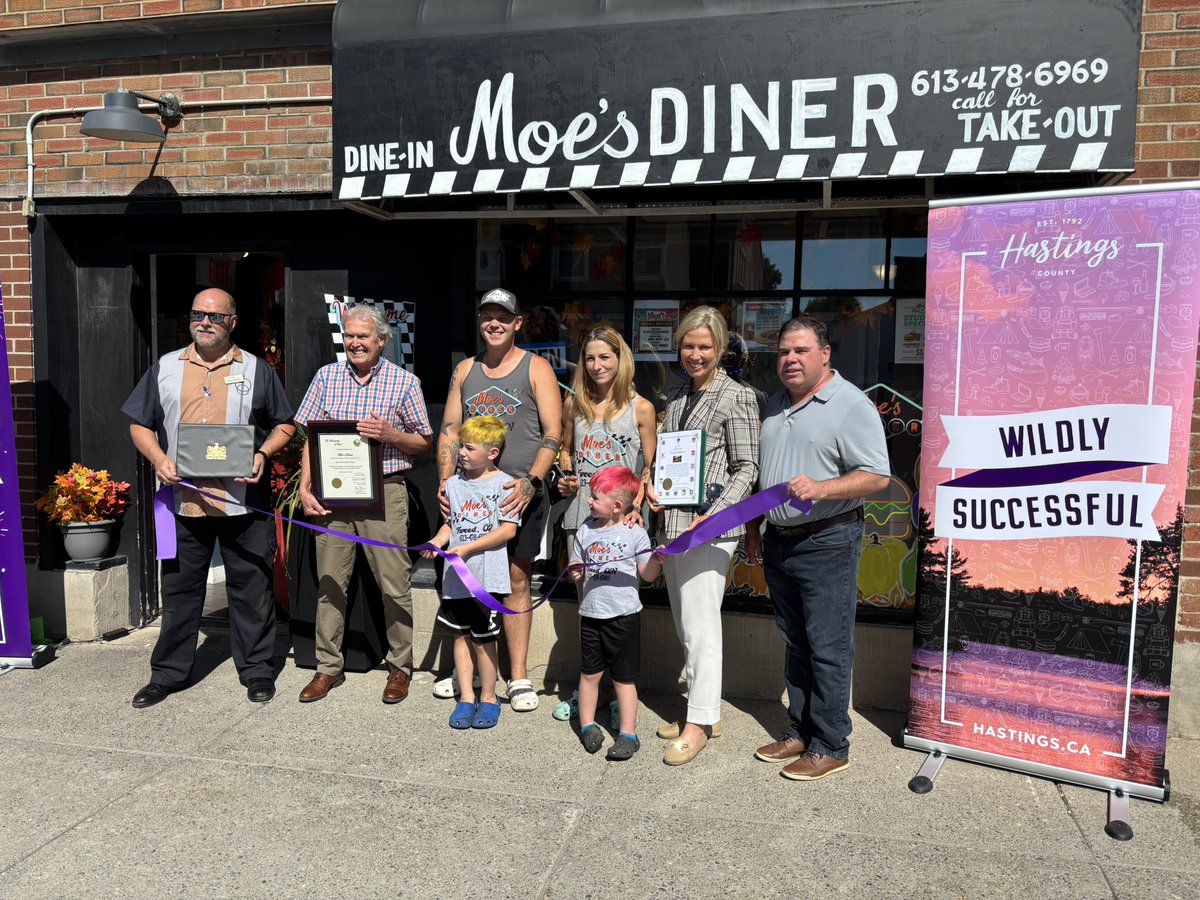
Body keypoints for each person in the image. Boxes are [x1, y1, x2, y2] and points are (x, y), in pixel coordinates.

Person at [123, 287, 295, 707]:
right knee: (180, 591)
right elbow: (139, 423)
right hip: (183, 501)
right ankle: (167, 674)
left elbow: (285, 424)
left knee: (252, 589)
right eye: (198, 314)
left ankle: (257, 670)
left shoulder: (257, 369)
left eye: (215, 316)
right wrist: (159, 458)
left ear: (232, 322)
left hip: (244, 502)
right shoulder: (165, 368)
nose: (205, 322)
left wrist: (262, 453)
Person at [744, 315, 890, 781]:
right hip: (779, 540)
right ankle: (801, 731)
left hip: (827, 540)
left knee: (828, 645)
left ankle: (831, 743)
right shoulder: (775, 403)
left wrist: (822, 488)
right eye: (784, 351)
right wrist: (754, 529)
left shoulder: (850, 404)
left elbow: (877, 476)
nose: (790, 359)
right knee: (796, 642)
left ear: (825, 354)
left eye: (801, 350)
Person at [295, 304, 434, 704]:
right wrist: (305, 486)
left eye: (363, 336)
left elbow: (424, 441)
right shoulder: (326, 377)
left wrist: (391, 435)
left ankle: (400, 666)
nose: (355, 343)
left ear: (381, 340)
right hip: (333, 496)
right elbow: (311, 437)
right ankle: (328, 667)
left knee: (394, 584)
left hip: (385, 493)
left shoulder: (404, 383)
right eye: (349, 336)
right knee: (330, 583)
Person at [436, 287, 563, 711]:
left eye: (503, 317)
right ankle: (472, 670)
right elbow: (449, 428)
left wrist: (531, 482)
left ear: (517, 323)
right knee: (468, 578)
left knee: (516, 578)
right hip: (470, 493)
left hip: (516, 494)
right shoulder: (465, 369)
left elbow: (553, 432)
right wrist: (445, 482)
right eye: (487, 316)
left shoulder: (536, 367)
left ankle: (519, 675)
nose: (494, 323)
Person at [648, 305, 759, 766]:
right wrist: (653, 487)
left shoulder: (738, 396)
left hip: (709, 529)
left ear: (720, 349)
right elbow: (669, 459)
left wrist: (711, 516)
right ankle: (703, 710)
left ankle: (698, 723)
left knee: (701, 626)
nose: (695, 354)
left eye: (705, 347)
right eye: (688, 346)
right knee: (685, 623)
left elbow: (747, 467)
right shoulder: (676, 395)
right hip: (673, 524)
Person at [421, 416, 519, 729]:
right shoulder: (452, 485)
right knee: (460, 637)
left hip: (486, 579)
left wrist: (468, 548)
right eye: (461, 445)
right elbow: (450, 525)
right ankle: (466, 697)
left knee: (484, 641)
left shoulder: (505, 485)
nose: (461, 452)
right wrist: (436, 542)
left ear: (492, 453)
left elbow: (508, 530)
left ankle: (489, 697)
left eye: (470, 448)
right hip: (456, 580)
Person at [567, 466, 663, 761]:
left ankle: (628, 734)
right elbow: (575, 565)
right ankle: (587, 725)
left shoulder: (635, 533)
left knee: (624, 679)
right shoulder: (585, 530)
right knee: (589, 674)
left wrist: (657, 561)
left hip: (624, 617)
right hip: (591, 616)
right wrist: (574, 571)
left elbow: (647, 575)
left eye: (595, 497)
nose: (589, 501)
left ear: (617, 505)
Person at [558, 324, 657, 537]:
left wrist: (636, 506)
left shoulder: (641, 408)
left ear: (620, 359)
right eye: (590, 359)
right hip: (579, 517)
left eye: (604, 357)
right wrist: (567, 479)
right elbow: (566, 451)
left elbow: (649, 467)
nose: (596, 366)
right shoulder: (574, 404)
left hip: (621, 520)